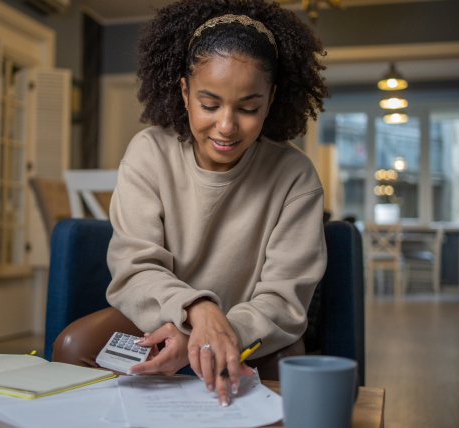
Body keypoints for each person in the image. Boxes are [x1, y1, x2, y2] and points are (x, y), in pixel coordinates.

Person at [53, 0, 328, 407]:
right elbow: (135, 268)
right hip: (159, 314)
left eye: (249, 107)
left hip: (248, 327)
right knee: (74, 345)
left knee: (288, 368)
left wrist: (218, 333)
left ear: (270, 100)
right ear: (184, 92)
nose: (226, 125)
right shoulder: (149, 153)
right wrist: (195, 313)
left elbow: (284, 302)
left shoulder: (295, 177)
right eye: (210, 104)